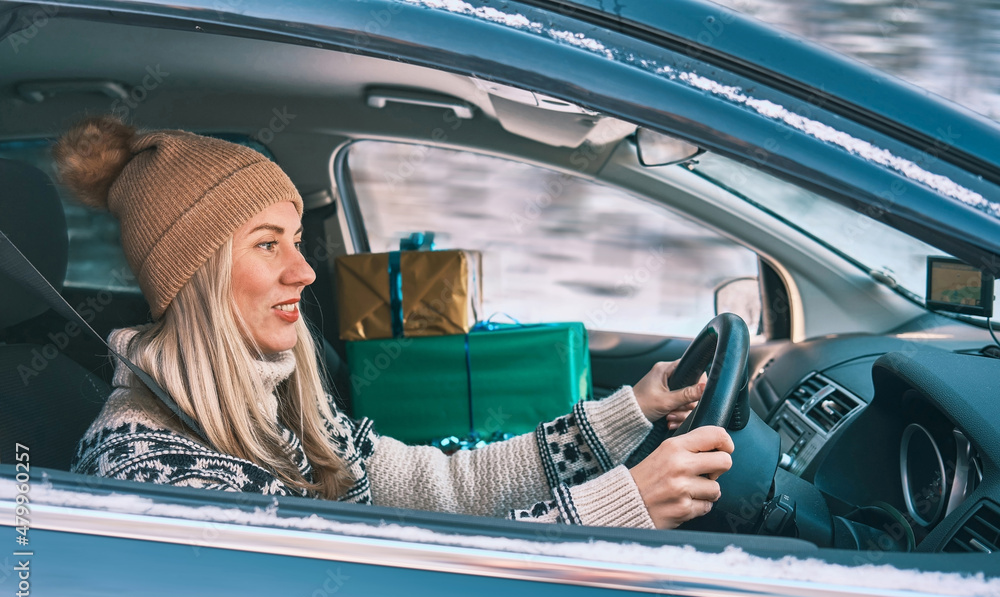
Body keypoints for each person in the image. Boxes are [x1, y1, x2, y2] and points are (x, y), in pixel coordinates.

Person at [61, 115, 733, 530]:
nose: (307, 271)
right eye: (268, 245)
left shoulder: (276, 408)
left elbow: (446, 489)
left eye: (298, 240)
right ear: (196, 278)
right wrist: (621, 506)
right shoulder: (152, 471)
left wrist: (631, 411)